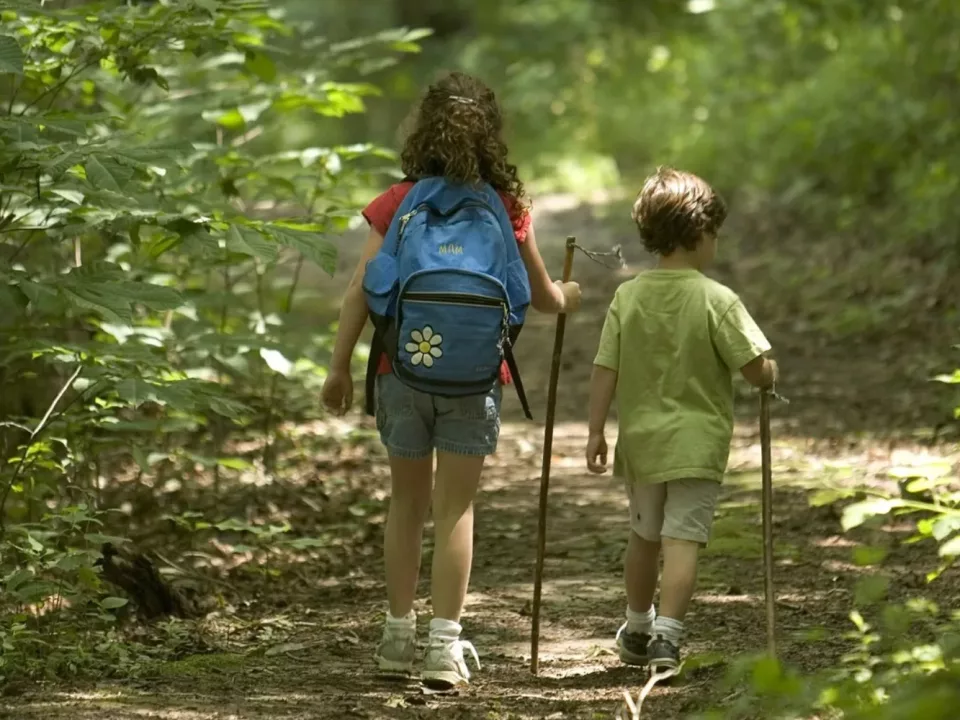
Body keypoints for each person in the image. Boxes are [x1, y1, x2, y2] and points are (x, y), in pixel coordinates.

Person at [321, 71, 582, 688]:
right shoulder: (507, 205)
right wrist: (569, 293)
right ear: (491, 135)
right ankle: (444, 646)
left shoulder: (397, 200)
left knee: (406, 504)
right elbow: (544, 298)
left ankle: (395, 637)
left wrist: (338, 367)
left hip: (400, 371)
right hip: (473, 380)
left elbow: (362, 288)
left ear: (424, 130)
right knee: (456, 508)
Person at [585, 167, 778, 672]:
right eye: (714, 233)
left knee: (644, 537)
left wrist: (595, 430)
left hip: (643, 443)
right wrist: (770, 373)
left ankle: (637, 625)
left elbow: (605, 366)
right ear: (699, 233)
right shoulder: (717, 299)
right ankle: (667, 639)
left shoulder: (628, 296)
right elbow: (755, 368)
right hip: (697, 445)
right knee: (683, 540)